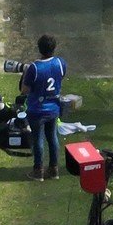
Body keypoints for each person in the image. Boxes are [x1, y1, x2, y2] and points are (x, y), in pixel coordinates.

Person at [20, 34, 67, 180]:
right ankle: (54, 170)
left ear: (39, 48)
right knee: (52, 137)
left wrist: (25, 74)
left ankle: (38, 170)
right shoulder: (60, 63)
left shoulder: (34, 68)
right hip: (53, 108)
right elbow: (60, 77)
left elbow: (24, 90)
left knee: (38, 139)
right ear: (54, 48)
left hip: (37, 110)